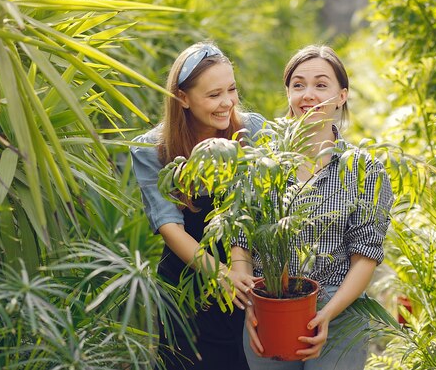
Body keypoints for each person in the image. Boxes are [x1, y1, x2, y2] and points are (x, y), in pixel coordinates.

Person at [231, 44, 394, 369]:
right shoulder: (261, 161)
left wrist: (326, 314)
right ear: (288, 93)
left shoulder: (364, 169)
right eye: (298, 85)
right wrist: (251, 304)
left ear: (342, 95)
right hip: (271, 303)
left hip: (340, 308)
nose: (308, 94)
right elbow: (242, 236)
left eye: (321, 85)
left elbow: (365, 255)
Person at [131, 41, 265, 370]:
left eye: (231, 90)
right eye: (213, 94)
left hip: (247, 277)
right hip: (187, 283)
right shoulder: (152, 148)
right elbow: (168, 225)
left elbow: (253, 205)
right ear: (182, 98)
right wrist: (218, 274)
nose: (227, 103)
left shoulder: (253, 130)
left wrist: (237, 271)